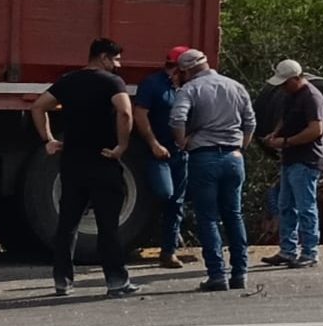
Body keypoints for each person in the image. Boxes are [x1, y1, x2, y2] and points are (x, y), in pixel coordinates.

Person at [30, 37, 141, 298]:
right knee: (108, 225)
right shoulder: (112, 82)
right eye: (115, 59)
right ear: (103, 57)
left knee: (67, 223)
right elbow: (125, 113)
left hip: (72, 162)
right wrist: (122, 146)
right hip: (103, 159)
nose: (118, 65)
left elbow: (38, 106)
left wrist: (48, 140)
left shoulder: (69, 81)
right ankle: (116, 281)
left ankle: (62, 281)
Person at [170, 49, 257, 292]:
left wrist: (181, 141)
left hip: (204, 156)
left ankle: (217, 274)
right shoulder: (235, 86)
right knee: (234, 215)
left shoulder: (190, 89)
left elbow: (177, 119)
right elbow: (250, 121)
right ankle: (240, 273)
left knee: (208, 218)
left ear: (186, 70)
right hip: (233, 157)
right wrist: (241, 147)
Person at [261, 60, 323, 269]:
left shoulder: (312, 97)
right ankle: (288, 250)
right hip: (290, 159)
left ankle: (310, 252)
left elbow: (316, 129)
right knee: (285, 206)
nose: (282, 87)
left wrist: (287, 141)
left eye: (285, 83)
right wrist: (276, 133)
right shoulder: (290, 95)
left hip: (306, 160)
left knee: (305, 207)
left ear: (296, 79)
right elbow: (285, 118)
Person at [134, 45, 190, 268]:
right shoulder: (153, 84)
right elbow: (140, 115)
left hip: (181, 152)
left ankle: (168, 251)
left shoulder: (189, 87)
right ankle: (160, 232)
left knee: (177, 201)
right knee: (165, 193)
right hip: (159, 151)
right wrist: (153, 144)